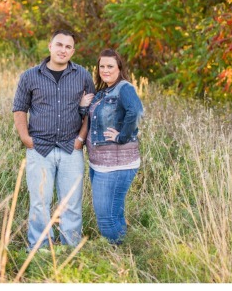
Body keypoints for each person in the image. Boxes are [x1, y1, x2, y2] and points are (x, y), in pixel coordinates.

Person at [12, 29, 96, 250]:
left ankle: (69, 250)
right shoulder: (29, 76)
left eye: (68, 47)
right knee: (40, 203)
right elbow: (19, 108)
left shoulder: (83, 75)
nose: (63, 50)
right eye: (59, 45)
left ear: (73, 51)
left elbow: (90, 111)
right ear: (50, 47)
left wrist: (80, 139)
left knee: (71, 204)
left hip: (71, 148)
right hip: (39, 148)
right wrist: (25, 138)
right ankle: (39, 251)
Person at [85, 49, 144, 244]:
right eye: (102, 66)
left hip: (116, 165)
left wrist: (122, 136)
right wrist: (82, 106)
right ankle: (125, 253)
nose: (105, 70)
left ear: (119, 67)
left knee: (106, 219)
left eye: (110, 66)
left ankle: (117, 257)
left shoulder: (124, 88)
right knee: (115, 214)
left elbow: (135, 111)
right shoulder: (102, 92)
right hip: (99, 164)